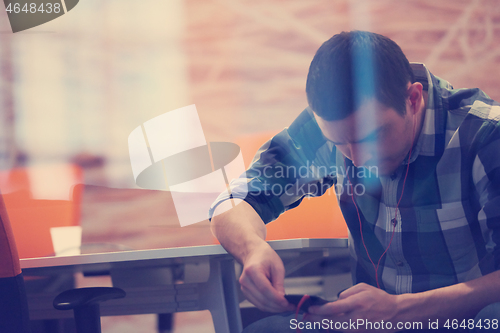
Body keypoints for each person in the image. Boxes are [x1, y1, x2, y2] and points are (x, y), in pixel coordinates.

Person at [209, 31, 500, 332]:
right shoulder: (326, 130)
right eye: (340, 143)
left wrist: (400, 310)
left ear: (413, 99)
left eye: (372, 136)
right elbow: (233, 202)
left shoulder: (486, 135)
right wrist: (253, 249)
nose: (358, 159)